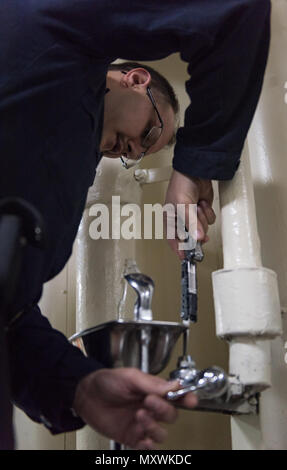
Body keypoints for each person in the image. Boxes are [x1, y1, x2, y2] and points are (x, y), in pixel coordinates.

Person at [0, 0, 270, 449]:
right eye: (147, 135)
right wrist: (193, 167)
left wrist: (79, 386)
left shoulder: (63, 169)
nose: (128, 151)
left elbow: (11, 316)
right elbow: (235, 10)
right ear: (137, 79)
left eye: (135, 154)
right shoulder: (53, 25)